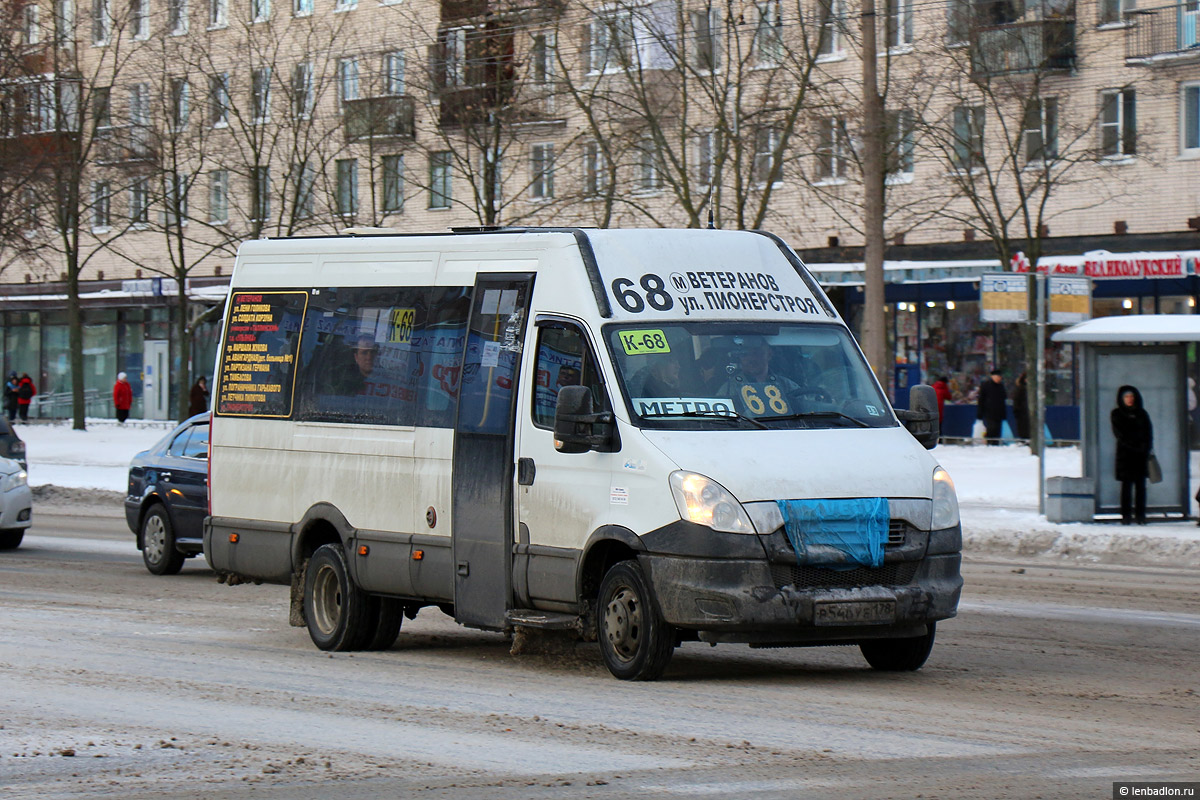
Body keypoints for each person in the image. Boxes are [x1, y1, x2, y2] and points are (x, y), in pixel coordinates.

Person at [1111, 384, 1152, 525]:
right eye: (1126, 397)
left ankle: (1141, 515)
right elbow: (1119, 434)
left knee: (1141, 487)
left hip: (1141, 456)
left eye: (1132, 396)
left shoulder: (1142, 413)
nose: (1129, 399)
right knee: (1126, 486)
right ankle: (1126, 515)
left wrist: (1145, 448)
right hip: (1125, 455)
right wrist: (1134, 445)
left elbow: (1148, 434)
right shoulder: (1117, 414)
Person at [976, 368, 1007, 445]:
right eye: (997, 376)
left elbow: (1003, 400)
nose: (998, 378)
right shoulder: (986, 386)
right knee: (991, 428)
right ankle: (989, 442)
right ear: (992, 376)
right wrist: (980, 413)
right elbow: (981, 400)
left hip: (998, 413)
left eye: (1000, 377)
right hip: (989, 412)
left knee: (997, 429)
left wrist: (1003, 414)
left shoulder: (1001, 386)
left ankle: (995, 443)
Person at [1012, 372, 1030, 440]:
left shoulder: (1027, 389)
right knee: (1024, 431)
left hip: (1025, 414)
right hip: (1023, 414)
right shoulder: (1021, 389)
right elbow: (1016, 402)